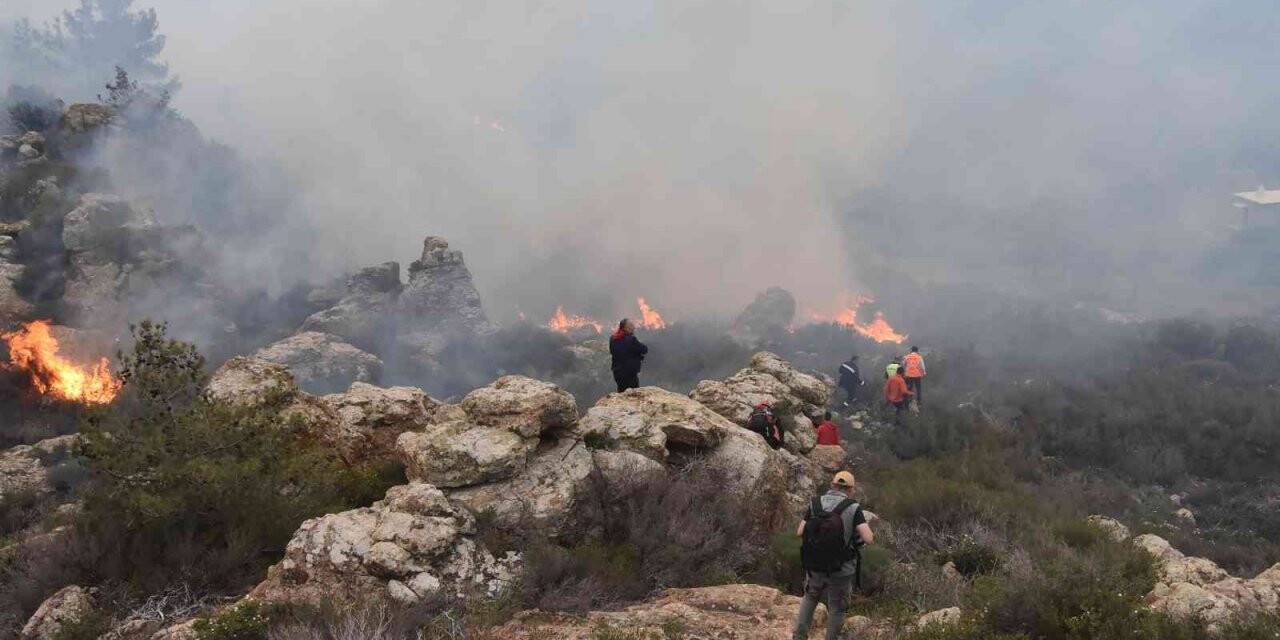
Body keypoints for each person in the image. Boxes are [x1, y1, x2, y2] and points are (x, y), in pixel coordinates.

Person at [792, 471, 874, 640]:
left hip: (815, 565)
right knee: (837, 608)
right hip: (841, 569)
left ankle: (799, 636)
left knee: (810, 598)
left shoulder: (814, 503)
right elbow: (868, 538)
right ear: (850, 489)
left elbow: (800, 532)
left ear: (832, 485)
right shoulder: (853, 507)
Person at [609, 318, 648, 392]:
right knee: (633, 395)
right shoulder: (631, 339)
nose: (634, 327)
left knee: (621, 392)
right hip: (629, 373)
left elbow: (612, 351)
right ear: (626, 328)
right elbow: (644, 349)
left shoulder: (613, 338)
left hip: (617, 372)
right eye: (632, 325)